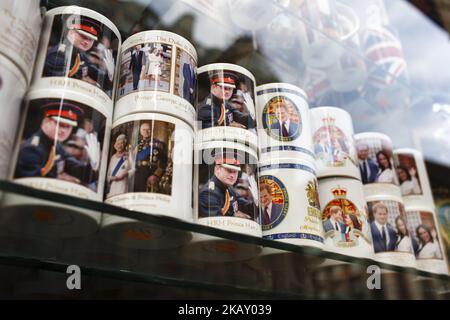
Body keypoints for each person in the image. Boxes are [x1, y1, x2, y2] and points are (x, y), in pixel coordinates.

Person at [15, 102, 100, 187]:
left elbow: (75, 169)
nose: (64, 131)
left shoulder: (56, 146)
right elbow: (30, 186)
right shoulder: (32, 149)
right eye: (60, 124)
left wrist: (92, 167)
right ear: (46, 122)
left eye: (68, 126)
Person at [43, 15, 115, 93]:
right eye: (83, 36)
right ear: (71, 33)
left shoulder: (80, 55)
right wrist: (85, 82)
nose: (87, 42)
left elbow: (95, 73)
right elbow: (59, 86)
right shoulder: (58, 54)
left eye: (91, 39)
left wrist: (110, 76)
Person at [198, 154, 254, 219]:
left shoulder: (229, 188)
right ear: (217, 169)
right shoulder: (208, 193)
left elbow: (246, 206)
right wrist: (236, 218)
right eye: (229, 170)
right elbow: (216, 224)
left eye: (235, 171)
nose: (232, 175)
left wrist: (262, 204)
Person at [131, 122, 167, 193]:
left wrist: (156, 175)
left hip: (150, 174)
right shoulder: (136, 145)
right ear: (141, 131)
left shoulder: (159, 144)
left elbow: (164, 161)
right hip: (136, 175)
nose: (146, 132)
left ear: (151, 130)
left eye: (148, 129)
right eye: (144, 130)